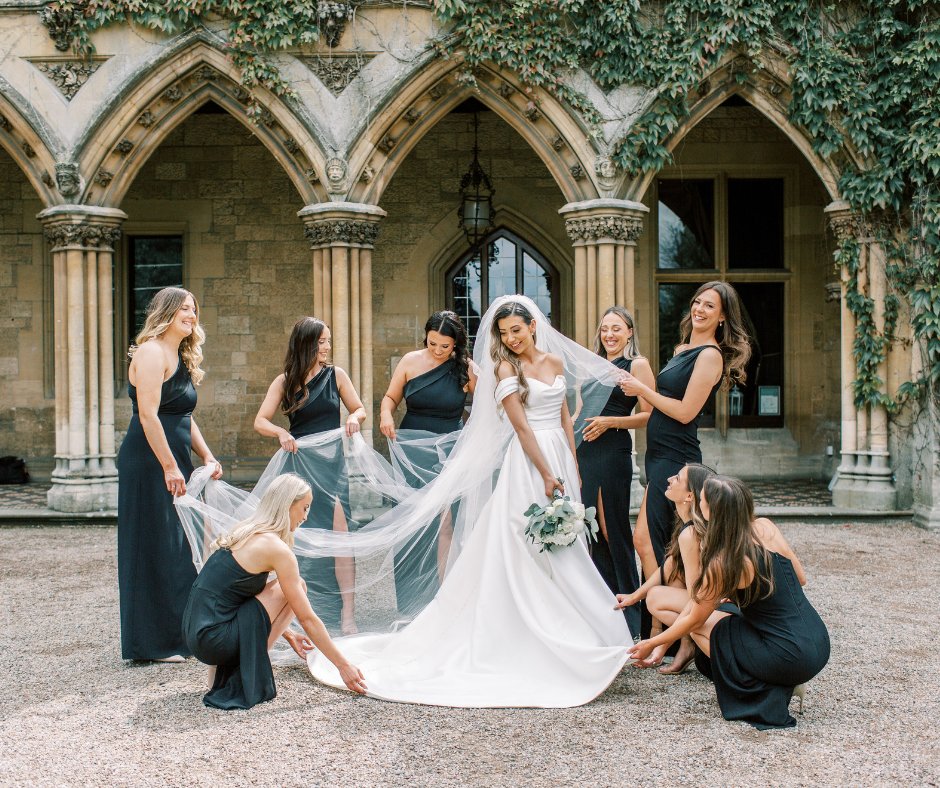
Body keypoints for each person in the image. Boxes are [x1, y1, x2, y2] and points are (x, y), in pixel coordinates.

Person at [300, 296, 632, 707]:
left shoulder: (551, 364)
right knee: (521, 541)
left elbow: (563, 414)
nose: (510, 338)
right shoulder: (505, 368)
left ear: (533, 326)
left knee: (563, 543)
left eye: (516, 329)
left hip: (559, 456)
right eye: (504, 332)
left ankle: (577, 629)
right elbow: (521, 427)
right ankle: (520, 627)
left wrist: (572, 464)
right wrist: (547, 472)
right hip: (526, 463)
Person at [627, 476, 830, 729]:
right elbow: (799, 578)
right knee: (725, 623)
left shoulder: (724, 561)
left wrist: (652, 642)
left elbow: (695, 617)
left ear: (711, 510)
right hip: (818, 642)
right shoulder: (765, 527)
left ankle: (765, 687)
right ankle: (780, 675)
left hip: (788, 654)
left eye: (701, 501)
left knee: (716, 630)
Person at [620, 281, 750, 636]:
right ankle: (661, 626)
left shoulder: (710, 355)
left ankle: (673, 635)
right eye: (697, 301)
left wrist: (643, 390)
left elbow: (683, 412)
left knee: (665, 547)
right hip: (658, 453)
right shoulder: (683, 349)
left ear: (723, 317)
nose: (700, 309)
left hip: (677, 458)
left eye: (710, 306)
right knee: (645, 541)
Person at [182, 473, 366, 710]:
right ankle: (244, 669)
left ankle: (230, 671)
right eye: (304, 508)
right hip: (215, 640)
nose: (306, 516)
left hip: (197, 633)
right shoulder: (277, 549)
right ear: (287, 505)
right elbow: (307, 619)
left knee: (290, 589)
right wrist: (343, 666)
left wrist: (288, 635)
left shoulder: (246, 530)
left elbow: (235, 596)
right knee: (297, 586)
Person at [117, 286, 222, 662]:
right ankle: (151, 643)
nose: (192, 315)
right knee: (154, 545)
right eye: (185, 310)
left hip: (173, 459)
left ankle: (176, 635)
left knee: (178, 547)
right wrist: (168, 466)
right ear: (166, 312)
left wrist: (207, 455)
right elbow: (148, 414)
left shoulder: (179, 355)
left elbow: (182, 417)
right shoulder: (150, 352)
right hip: (149, 462)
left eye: (194, 309)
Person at [254, 317, 365, 635]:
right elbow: (260, 420)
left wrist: (354, 419)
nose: (327, 347)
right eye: (321, 342)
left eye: (328, 341)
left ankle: (348, 615)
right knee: (293, 538)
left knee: (341, 536)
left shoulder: (336, 375)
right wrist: (279, 432)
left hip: (332, 465)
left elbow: (359, 408)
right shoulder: (285, 381)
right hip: (299, 468)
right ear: (306, 344)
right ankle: (296, 611)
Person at [379, 310, 477, 614]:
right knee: (412, 521)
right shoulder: (410, 362)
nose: (437, 351)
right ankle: (411, 602)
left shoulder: (468, 369)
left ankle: (444, 597)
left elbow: (488, 410)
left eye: (444, 347)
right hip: (410, 450)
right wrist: (385, 416)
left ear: (456, 345)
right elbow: (390, 399)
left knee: (445, 521)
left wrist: (471, 440)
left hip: (448, 453)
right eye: (433, 343)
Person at [577, 306, 653, 634]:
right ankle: (604, 609)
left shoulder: (637, 364)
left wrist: (611, 422)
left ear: (630, 332)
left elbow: (652, 413)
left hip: (614, 450)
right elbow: (580, 412)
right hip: (585, 453)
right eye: (605, 328)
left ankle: (632, 612)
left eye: (617, 328)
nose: (610, 334)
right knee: (590, 531)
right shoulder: (592, 366)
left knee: (613, 529)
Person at [615, 463, 715, 674]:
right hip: (705, 606)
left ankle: (696, 642)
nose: (669, 479)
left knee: (657, 598)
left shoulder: (692, 534)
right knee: (655, 594)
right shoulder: (687, 526)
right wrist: (633, 597)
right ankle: (690, 643)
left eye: (677, 478)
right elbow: (667, 567)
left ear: (689, 496)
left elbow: (696, 597)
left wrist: (657, 645)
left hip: (713, 611)